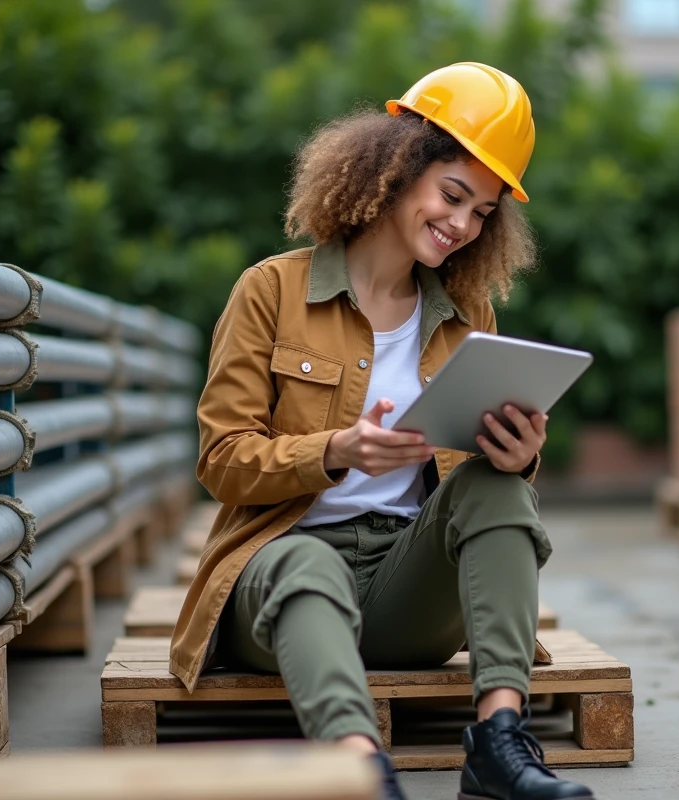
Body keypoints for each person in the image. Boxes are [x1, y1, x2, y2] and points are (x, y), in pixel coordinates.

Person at [169, 62, 595, 800]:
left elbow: (480, 489)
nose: (463, 225)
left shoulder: (468, 318)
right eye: (453, 195)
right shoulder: (271, 291)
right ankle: (362, 769)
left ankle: (498, 744)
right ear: (395, 171)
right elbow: (220, 460)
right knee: (305, 566)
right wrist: (336, 450)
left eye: (483, 213)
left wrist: (519, 457)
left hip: (406, 588)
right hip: (281, 578)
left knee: (495, 488)